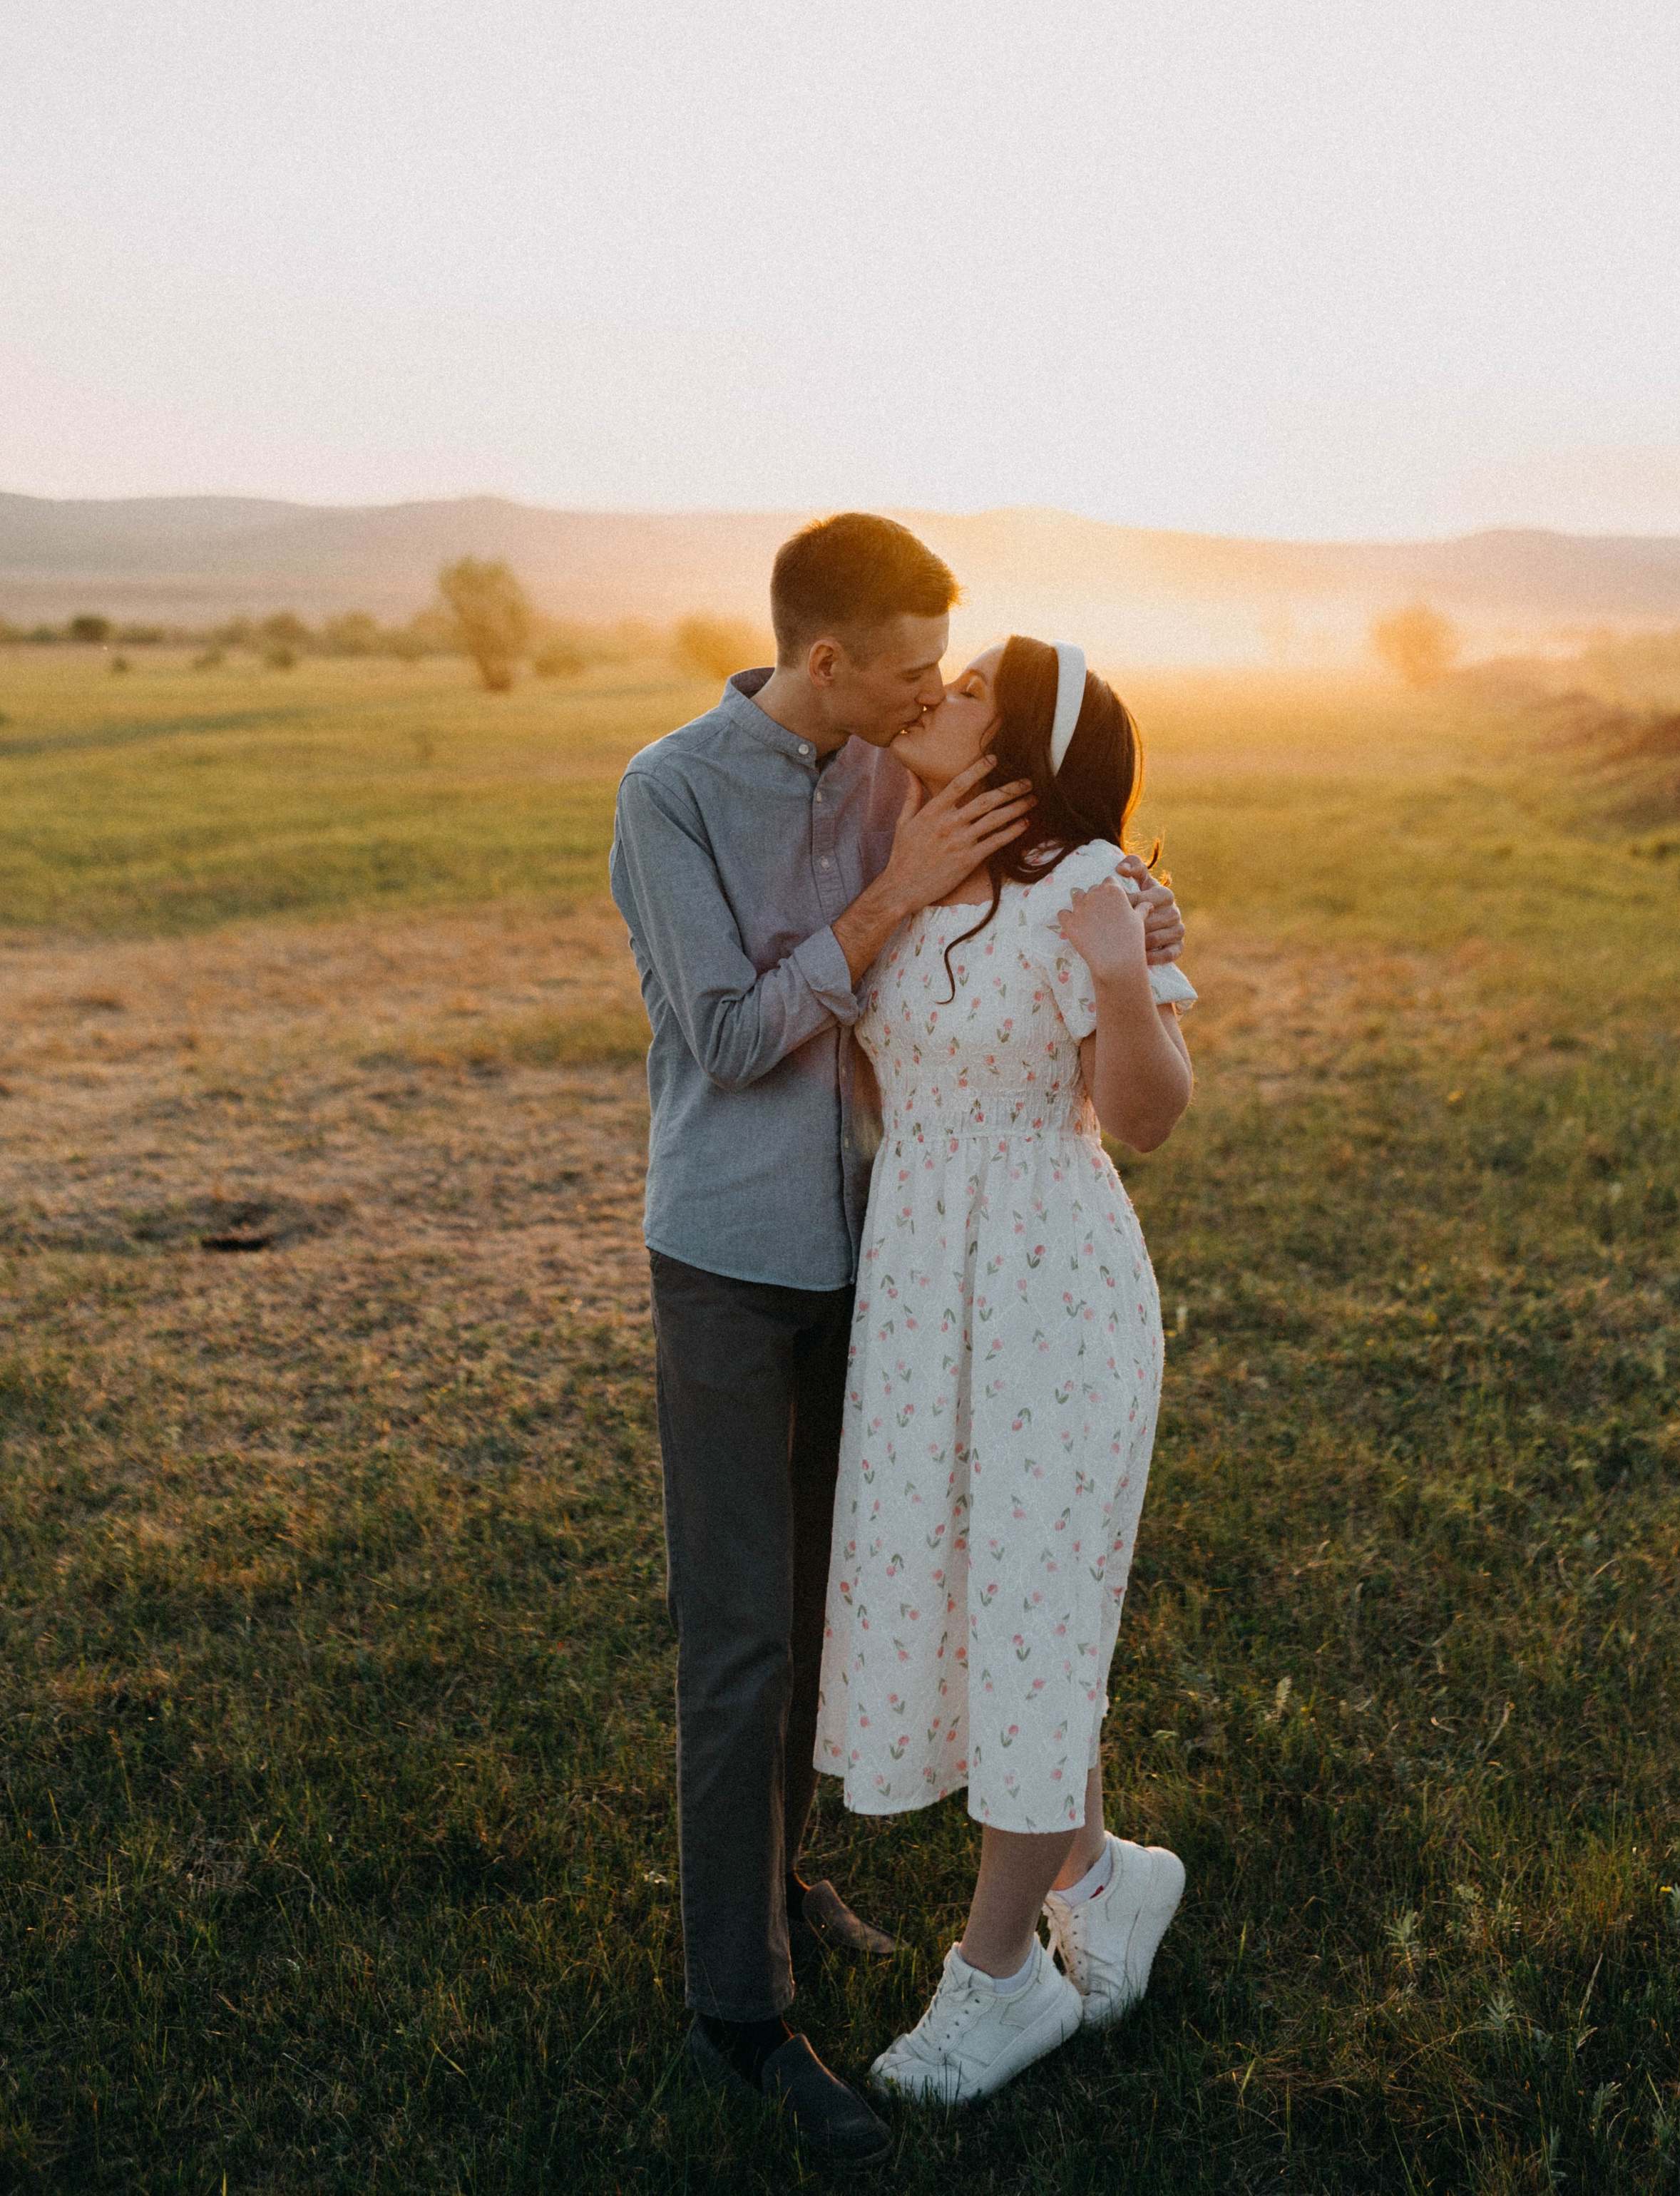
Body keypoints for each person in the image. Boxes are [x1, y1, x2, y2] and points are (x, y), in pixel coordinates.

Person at [608, 518, 1185, 2170]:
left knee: (875, 1593)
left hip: (904, 1265)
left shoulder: (891, 772)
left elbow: (1048, 878)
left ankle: (856, 1889)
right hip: (730, 1253)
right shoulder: (675, 792)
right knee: (741, 1634)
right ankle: (744, 2008)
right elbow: (725, 1036)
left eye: (958, 682)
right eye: (915, 672)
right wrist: (890, 902)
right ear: (828, 664)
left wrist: (1130, 905)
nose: (936, 694)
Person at [816, 633, 1196, 2107]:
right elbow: (874, 1070)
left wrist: (1117, 970)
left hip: (1050, 1287)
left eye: (967, 688)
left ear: (1021, 744)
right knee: (991, 1598)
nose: (936, 693)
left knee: (1033, 1598)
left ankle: (997, 1980)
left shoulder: (1091, 885)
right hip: (926, 1285)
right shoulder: (903, 862)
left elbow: (1147, 1119)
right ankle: (1101, 1877)